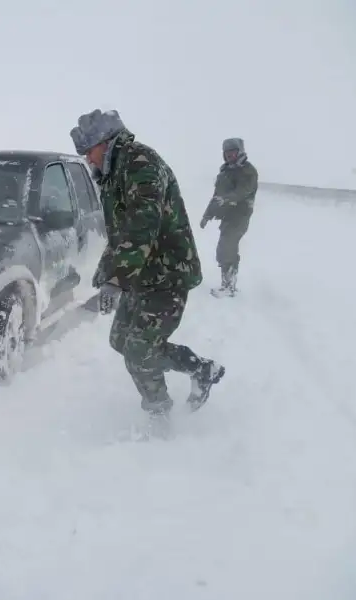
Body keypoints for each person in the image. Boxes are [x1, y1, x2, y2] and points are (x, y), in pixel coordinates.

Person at [70, 109, 225, 430]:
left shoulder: (141, 164)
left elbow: (143, 225)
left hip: (168, 274)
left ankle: (159, 415)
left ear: (106, 141)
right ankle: (200, 369)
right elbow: (121, 231)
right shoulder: (115, 173)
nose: (87, 158)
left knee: (139, 350)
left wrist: (117, 277)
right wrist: (105, 274)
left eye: (89, 150)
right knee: (120, 341)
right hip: (142, 275)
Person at [200, 137, 258, 297]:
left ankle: (230, 287)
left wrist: (226, 199)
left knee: (228, 247)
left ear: (240, 152)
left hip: (240, 216)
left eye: (233, 152)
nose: (229, 156)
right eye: (227, 153)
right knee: (222, 249)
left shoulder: (247, 171)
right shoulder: (225, 171)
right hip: (228, 216)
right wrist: (208, 214)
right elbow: (217, 195)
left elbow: (242, 191)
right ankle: (226, 283)